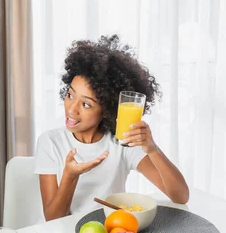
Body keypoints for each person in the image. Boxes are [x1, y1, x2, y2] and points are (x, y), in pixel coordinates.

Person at [34, 35, 189, 221]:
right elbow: (52, 218)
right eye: (70, 95)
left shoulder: (121, 143)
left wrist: (152, 149)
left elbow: (180, 197)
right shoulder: (50, 142)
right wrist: (69, 177)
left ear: (107, 110)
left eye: (86, 104)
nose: (71, 109)